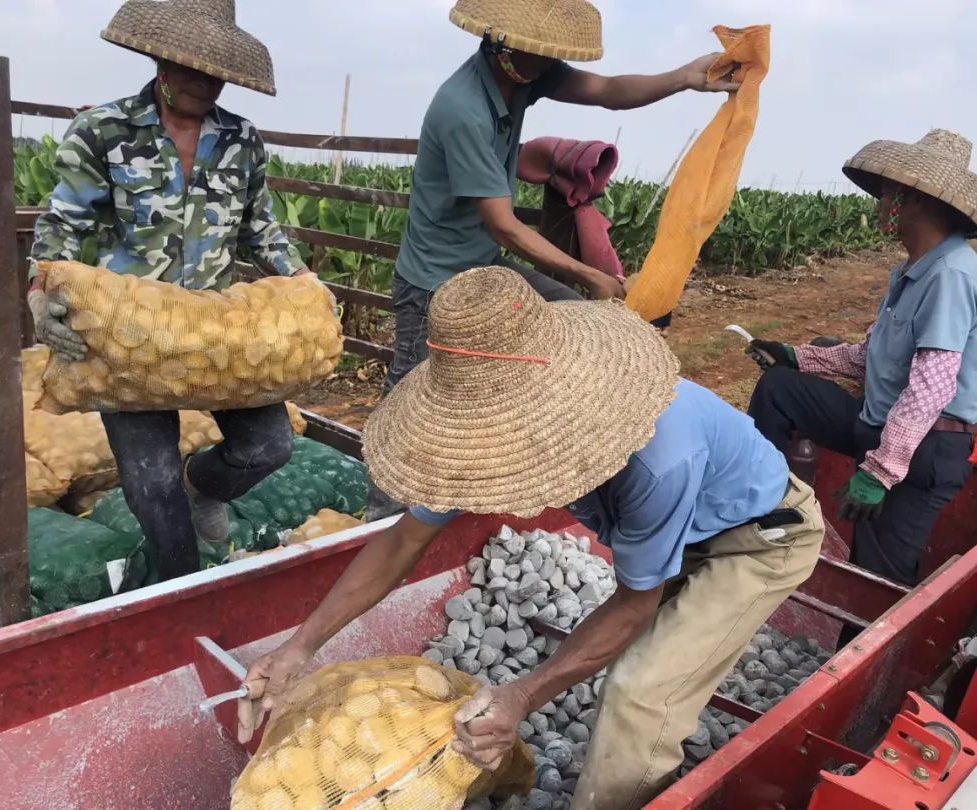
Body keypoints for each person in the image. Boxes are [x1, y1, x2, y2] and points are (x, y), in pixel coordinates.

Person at [239, 266, 825, 809]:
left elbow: (634, 603)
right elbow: (401, 541)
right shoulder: (474, 426)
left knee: (641, 694)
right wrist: (299, 646)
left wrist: (523, 696)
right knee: (619, 658)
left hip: (757, 537)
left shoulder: (657, 457)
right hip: (680, 522)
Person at [367, 0, 741, 520]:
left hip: (482, 268)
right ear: (501, 46)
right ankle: (377, 529)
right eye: (539, 56)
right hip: (433, 283)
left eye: (550, 57)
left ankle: (550, 477)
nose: (549, 65)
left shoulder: (524, 72)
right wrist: (590, 274)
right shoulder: (464, 109)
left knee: (576, 322)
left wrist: (684, 77)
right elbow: (504, 224)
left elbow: (609, 92)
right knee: (412, 412)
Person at [29, 0, 316, 579]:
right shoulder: (103, 131)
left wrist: (304, 280)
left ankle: (202, 487)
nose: (207, 83)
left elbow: (261, 227)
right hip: (127, 333)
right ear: (162, 58)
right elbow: (61, 228)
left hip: (215, 329)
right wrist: (39, 294)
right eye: (193, 68)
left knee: (269, 446)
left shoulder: (241, 138)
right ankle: (177, 594)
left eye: (219, 73)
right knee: (151, 485)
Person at [747, 130, 977, 621]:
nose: (881, 205)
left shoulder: (952, 274)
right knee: (780, 390)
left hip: (923, 450)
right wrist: (795, 357)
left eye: (889, 193)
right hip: (878, 425)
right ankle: (762, 504)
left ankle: (866, 686)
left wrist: (879, 472)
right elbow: (867, 358)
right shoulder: (909, 271)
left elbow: (932, 386)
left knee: (875, 580)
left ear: (914, 199)